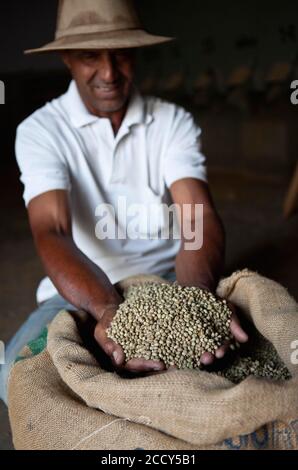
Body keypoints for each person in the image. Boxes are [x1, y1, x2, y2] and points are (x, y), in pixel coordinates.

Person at [0, 0, 248, 405]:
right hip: (79, 290)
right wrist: (109, 310)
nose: (109, 73)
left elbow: (196, 217)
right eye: (89, 56)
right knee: (17, 377)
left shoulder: (172, 122)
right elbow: (52, 231)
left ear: (137, 53)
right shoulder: (41, 131)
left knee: (223, 367)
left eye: (121, 55)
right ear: (66, 58)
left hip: (168, 278)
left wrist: (192, 300)